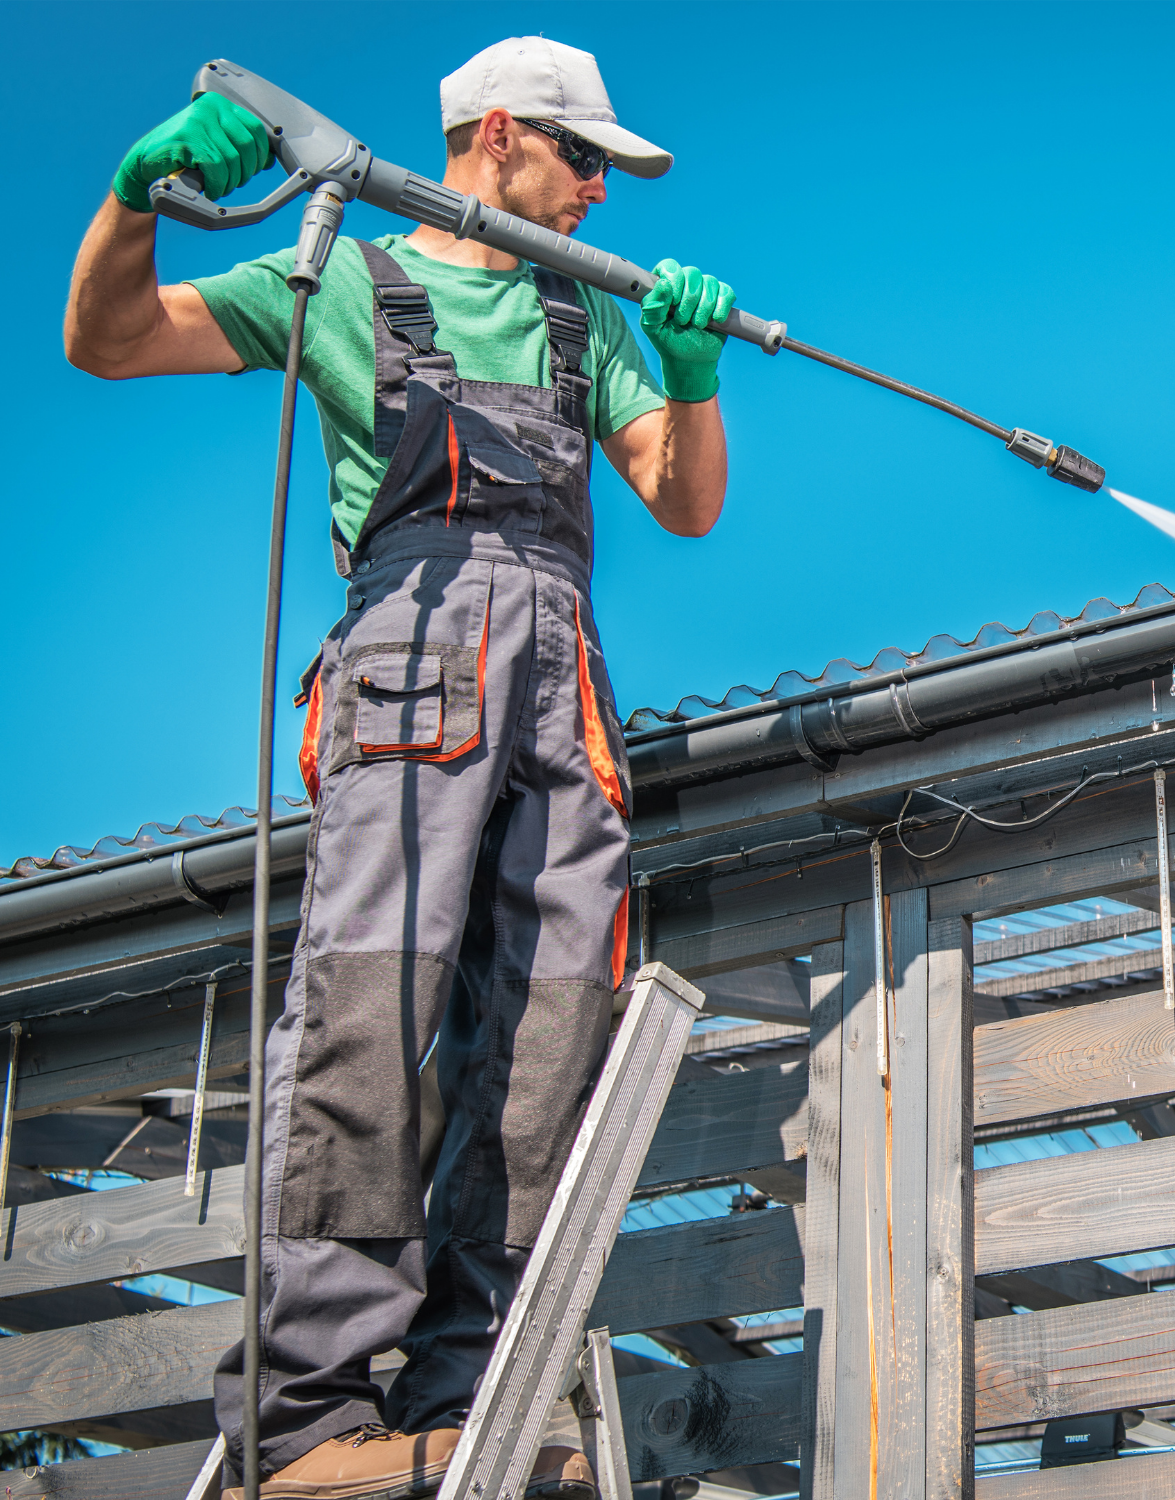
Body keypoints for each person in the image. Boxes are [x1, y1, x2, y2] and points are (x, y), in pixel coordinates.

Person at [63, 37, 731, 1500]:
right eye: (586, 161)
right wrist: (136, 200)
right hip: (411, 664)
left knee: (550, 1021)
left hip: (567, 683)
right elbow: (108, 340)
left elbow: (681, 502)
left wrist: (688, 371)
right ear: (498, 136)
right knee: (375, 1001)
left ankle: (466, 1390)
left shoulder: (586, 318)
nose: (601, 194)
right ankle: (308, 1424)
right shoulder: (347, 283)